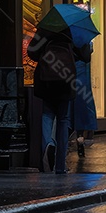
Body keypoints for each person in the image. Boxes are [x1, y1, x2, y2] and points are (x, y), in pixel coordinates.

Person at [29, 27, 91, 173]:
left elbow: (32, 52)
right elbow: (85, 56)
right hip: (65, 79)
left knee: (47, 115)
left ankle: (48, 145)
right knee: (63, 120)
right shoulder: (74, 30)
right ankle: (60, 165)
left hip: (46, 80)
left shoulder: (46, 28)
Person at [70, 45, 96, 157]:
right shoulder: (84, 42)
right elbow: (87, 55)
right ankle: (81, 135)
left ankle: (73, 136)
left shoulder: (68, 39)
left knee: (70, 107)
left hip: (69, 71)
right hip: (82, 75)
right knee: (82, 105)